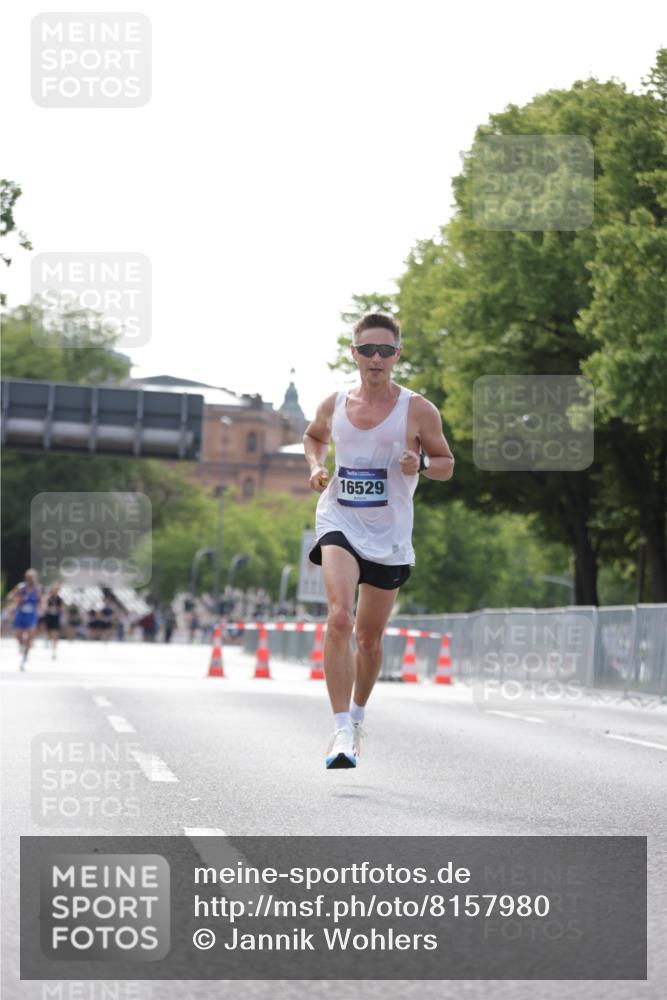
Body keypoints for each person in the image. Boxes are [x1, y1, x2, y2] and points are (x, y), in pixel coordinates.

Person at [303, 313, 455, 769]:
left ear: (396, 355)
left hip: (389, 533)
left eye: (384, 351)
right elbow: (313, 437)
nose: (375, 359)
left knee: (369, 639)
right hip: (340, 519)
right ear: (354, 354)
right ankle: (340, 731)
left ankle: (359, 716)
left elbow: (447, 463)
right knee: (339, 618)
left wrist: (421, 464)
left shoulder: (419, 409)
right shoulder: (334, 403)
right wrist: (316, 466)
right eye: (367, 350)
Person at [7, 569, 42, 670]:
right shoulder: (21, 587)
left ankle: (25, 657)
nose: (30, 580)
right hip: (21, 613)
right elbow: (10, 596)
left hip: (31, 615)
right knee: (18, 635)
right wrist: (16, 600)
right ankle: (22, 646)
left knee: (30, 637)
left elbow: (41, 600)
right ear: (26, 578)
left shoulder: (37, 589)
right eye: (28, 578)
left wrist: (41, 609)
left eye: (32, 578)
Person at [44, 581, 64, 660]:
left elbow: (62, 608)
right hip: (49, 617)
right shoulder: (49, 598)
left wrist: (58, 610)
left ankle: (54, 651)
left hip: (56, 617)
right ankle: (48, 641)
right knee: (49, 633)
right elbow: (45, 607)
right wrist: (49, 609)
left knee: (55, 634)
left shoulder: (59, 599)